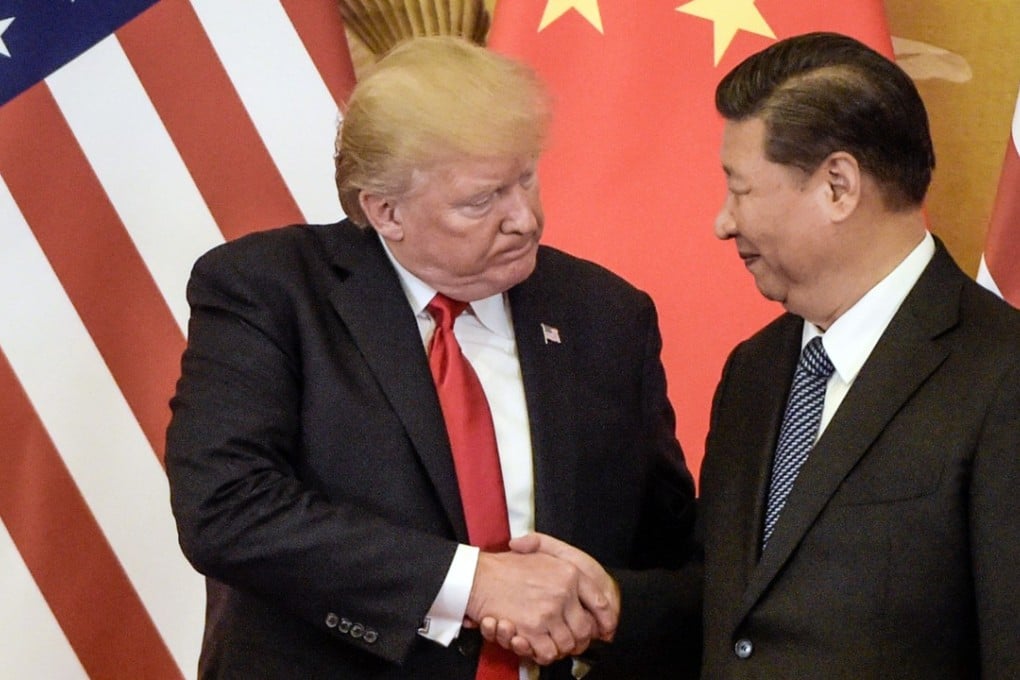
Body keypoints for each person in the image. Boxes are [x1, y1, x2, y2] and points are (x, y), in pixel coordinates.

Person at [165, 35, 700, 679]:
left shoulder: (605, 314)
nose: (524, 218)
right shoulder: (272, 290)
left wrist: (605, 605)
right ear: (386, 212)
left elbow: (670, 555)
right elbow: (226, 508)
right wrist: (473, 584)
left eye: (526, 178)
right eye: (482, 200)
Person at [699, 31, 1020, 679]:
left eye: (742, 189)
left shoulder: (1002, 373)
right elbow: (727, 610)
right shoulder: (753, 370)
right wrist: (600, 598)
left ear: (838, 186)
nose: (723, 222)